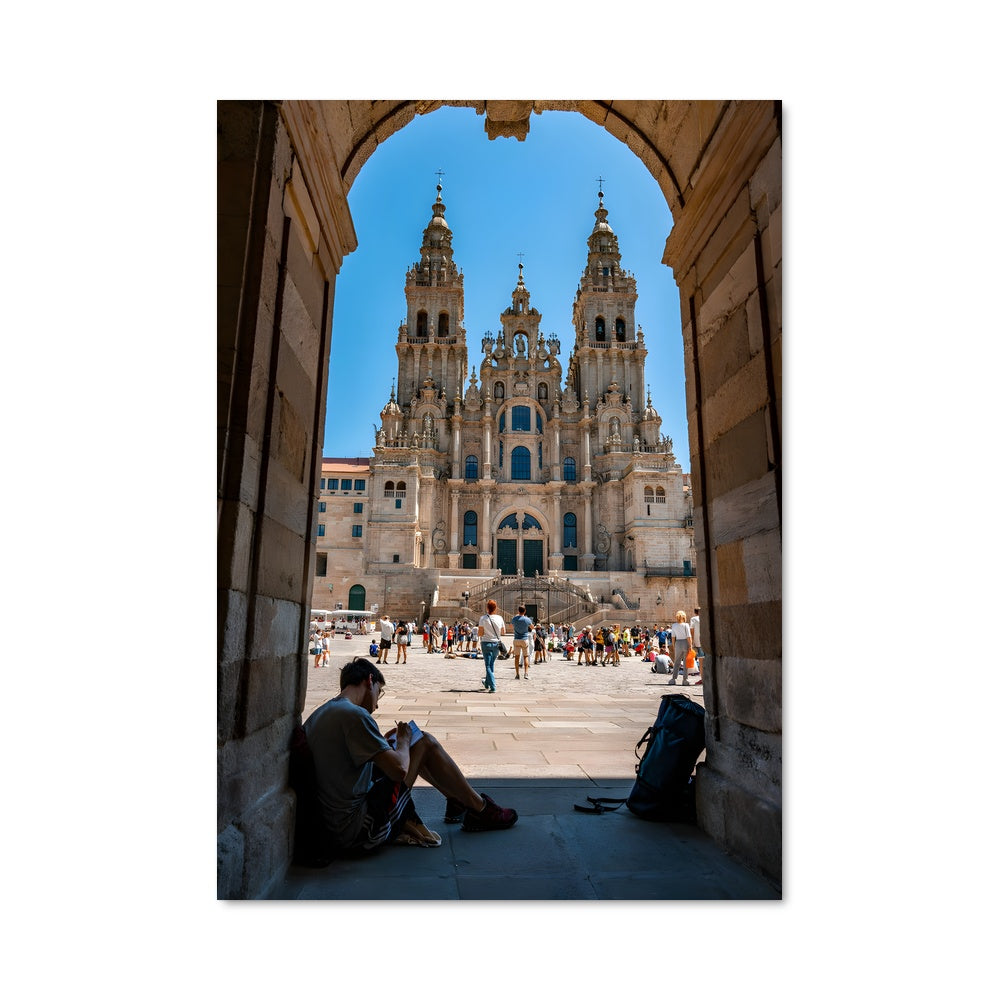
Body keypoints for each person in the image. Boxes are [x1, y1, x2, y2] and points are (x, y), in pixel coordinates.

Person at [303, 658, 518, 851]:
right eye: (379, 691)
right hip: (357, 829)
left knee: (414, 745)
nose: (377, 703)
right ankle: (479, 808)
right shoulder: (355, 715)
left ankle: (460, 801)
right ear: (369, 681)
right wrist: (403, 741)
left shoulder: (324, 712)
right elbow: (399, 770)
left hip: (331, 823)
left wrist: (386, 744)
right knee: (423, 742)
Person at [478, 599, 507, 693]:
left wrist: (487, 632)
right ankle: (487, 683)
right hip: (496, 644)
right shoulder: (500, 618)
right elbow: (503, 632)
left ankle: (493, 686)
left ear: (487, 608)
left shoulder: (483, 618)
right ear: (496, 608)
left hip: (486, 643)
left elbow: (480, 633)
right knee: (491, 664)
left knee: (488, 665)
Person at [668, 610, 692, 686]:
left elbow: (673, 637)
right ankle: (685, 680)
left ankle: (673, 679)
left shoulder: (674, 625)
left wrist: (674, 645)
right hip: (685, 642)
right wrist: (690, 645)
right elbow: (688, 636)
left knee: (677, 661)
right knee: (685, 662)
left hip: (677, 643)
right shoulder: (686, 625)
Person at [510, 604, 533, 679]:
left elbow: (510, 626)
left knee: (517, 657)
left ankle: (517, 674)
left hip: (516, 639)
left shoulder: (514, 618)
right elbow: (532, 627)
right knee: (525, 656)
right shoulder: (527, 619)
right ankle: (526, 673)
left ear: (518, 611)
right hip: (524, 639)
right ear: (525, 611)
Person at [690, 607, 704, 685]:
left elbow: (692, 631)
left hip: (699, 642)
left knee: (701, 662)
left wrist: (691, 643)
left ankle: (703, 679)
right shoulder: (706, 618)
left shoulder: (693, 619)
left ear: (695, 612)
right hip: (708, 643)